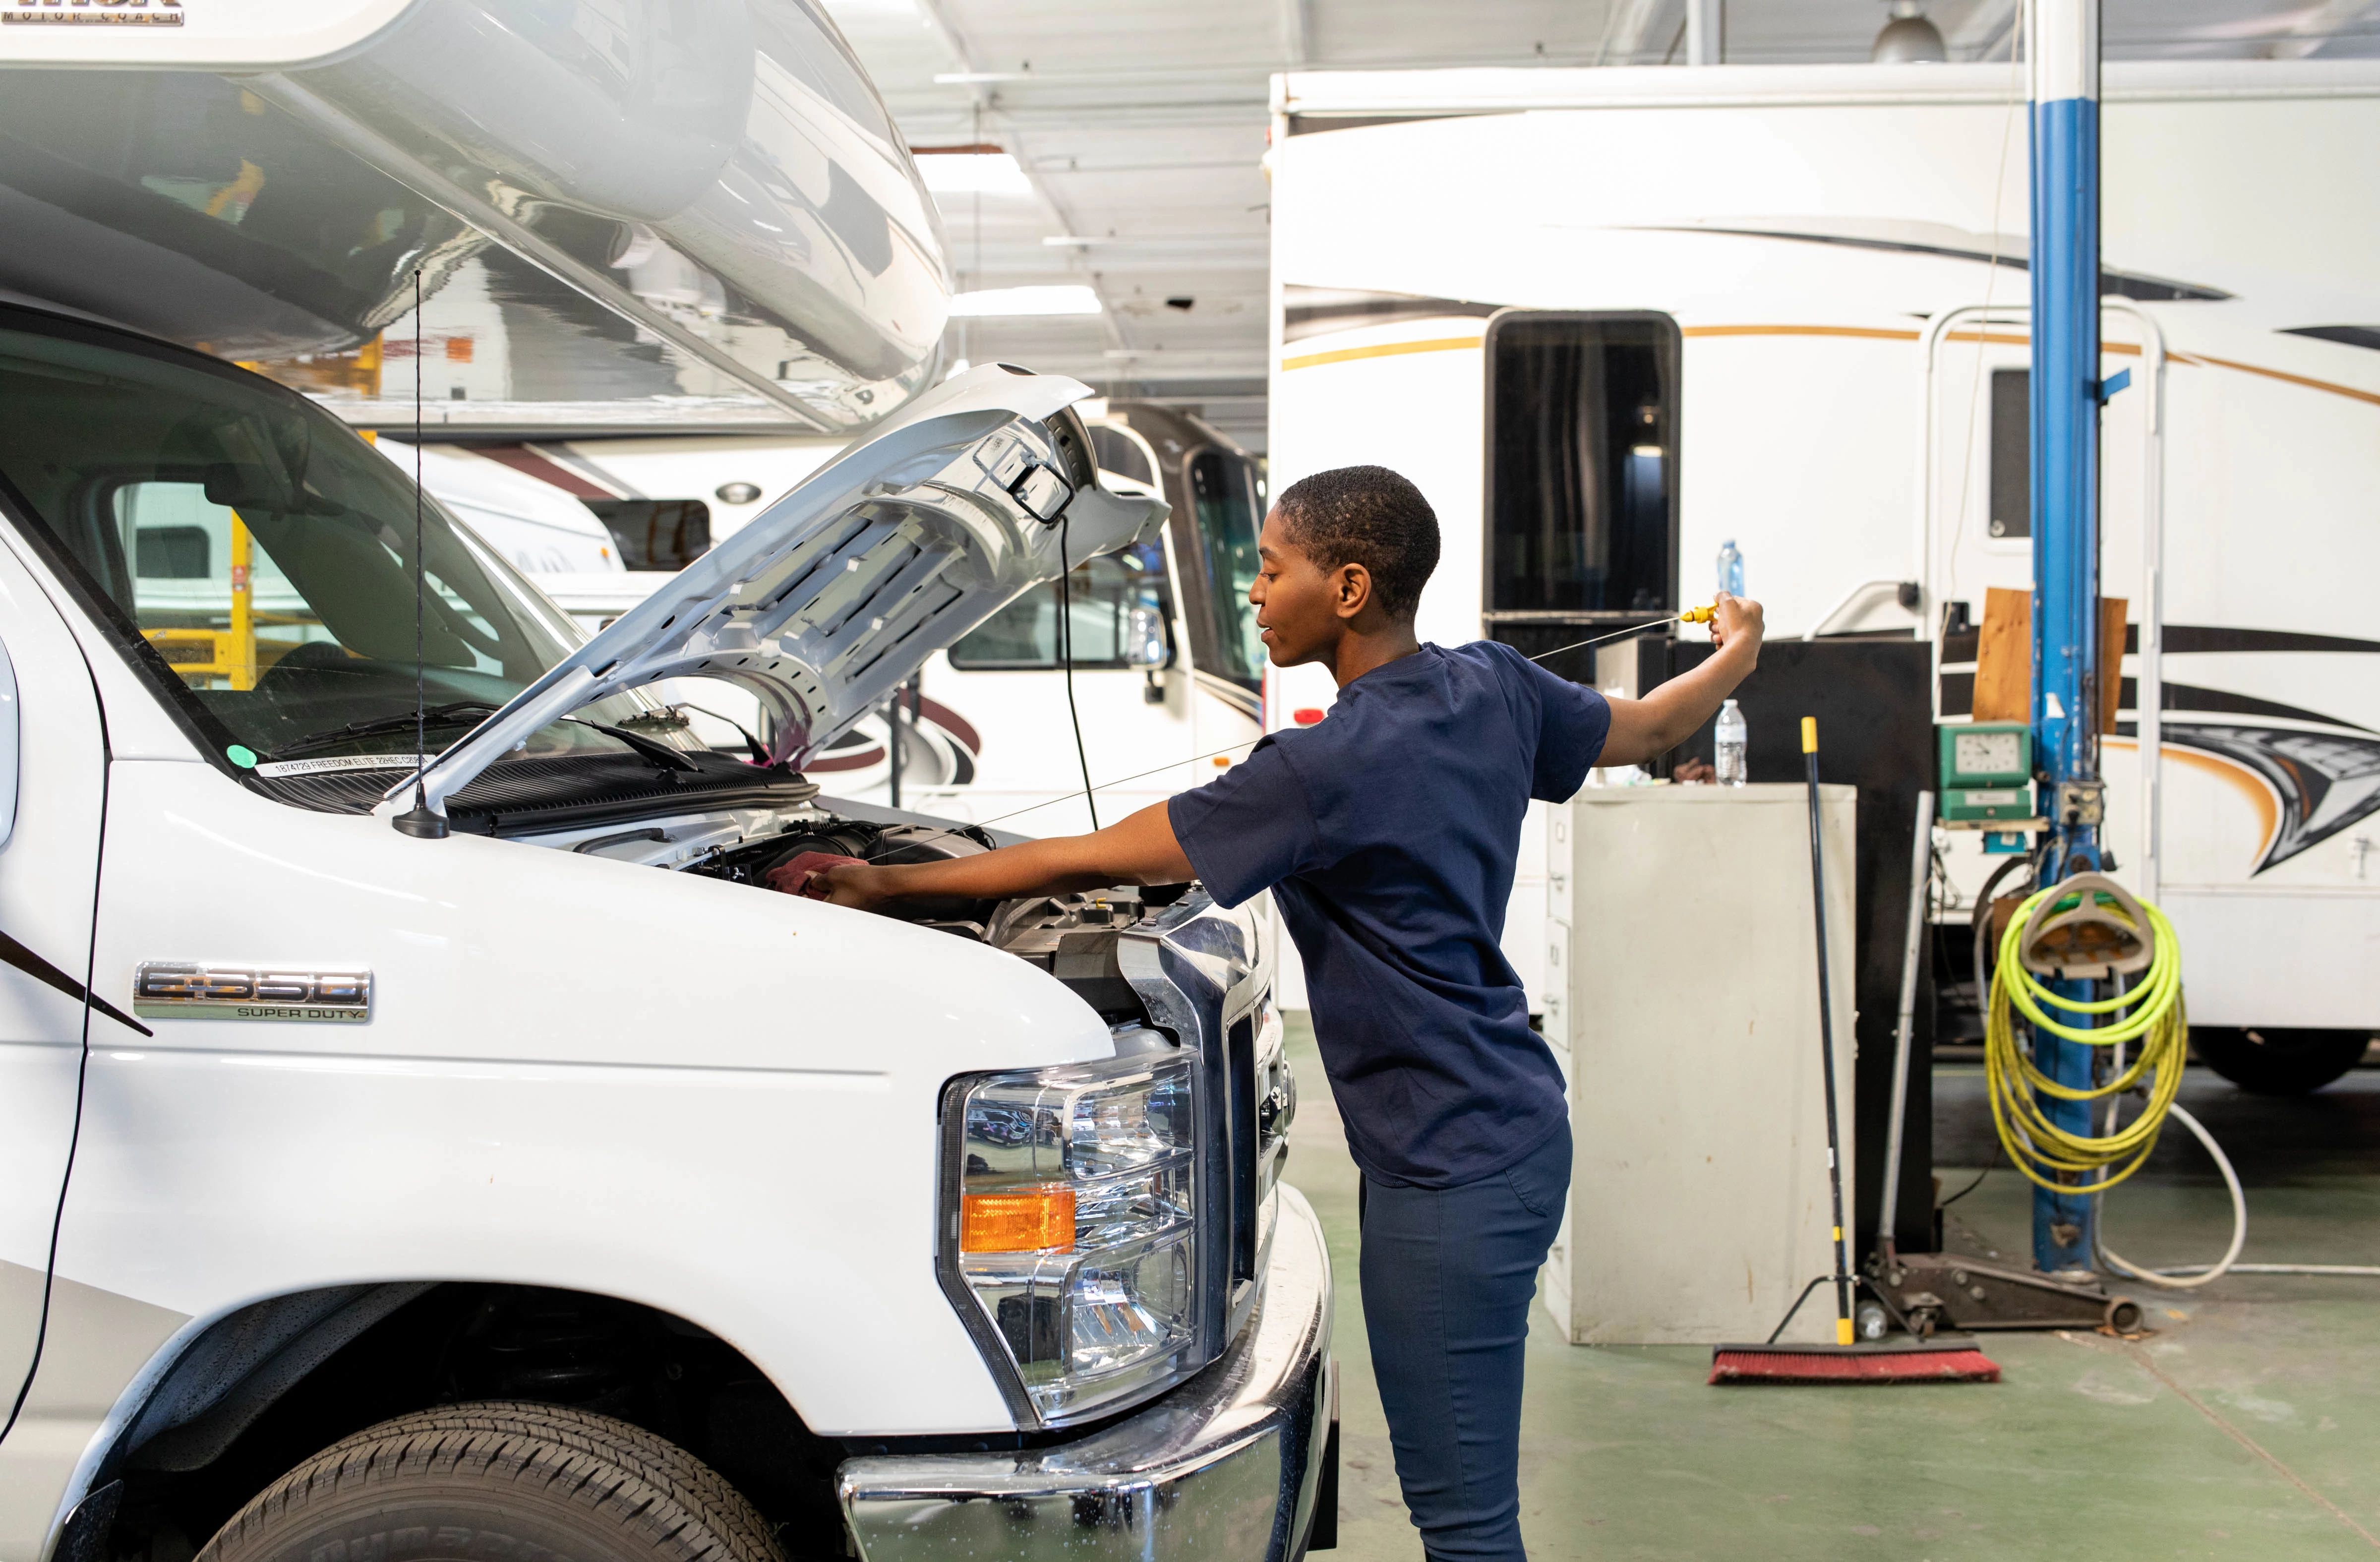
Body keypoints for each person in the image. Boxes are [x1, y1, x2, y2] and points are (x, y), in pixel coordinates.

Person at [801, 465, 1763, 1562]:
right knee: (1464, 1501)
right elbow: (1644, 731)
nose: (1254, 593)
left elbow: (1103, 852)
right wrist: (1738, 652)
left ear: (1348, 588)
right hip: (1511, 1129)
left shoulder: (1322, 767)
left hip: (1448, 1165)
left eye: (1270, 568)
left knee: (1463, 1518)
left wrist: (886, 885)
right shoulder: (1493, 685)